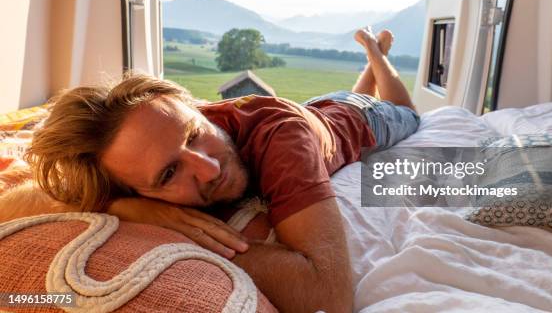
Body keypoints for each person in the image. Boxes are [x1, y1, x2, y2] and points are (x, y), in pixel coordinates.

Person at [25, 27, 419, 313]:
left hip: (363, 120)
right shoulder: (139, 158)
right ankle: (368, 65)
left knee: (406, 112)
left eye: (194, 135)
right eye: (168, 174)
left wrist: (164, 231)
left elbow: (328, 296)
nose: (209, 168)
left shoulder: (280, 139)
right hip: (317, 109)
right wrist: (119, 209)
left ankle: (377, 54)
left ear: (195, 109)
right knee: (340, 100)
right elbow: (16, 202)